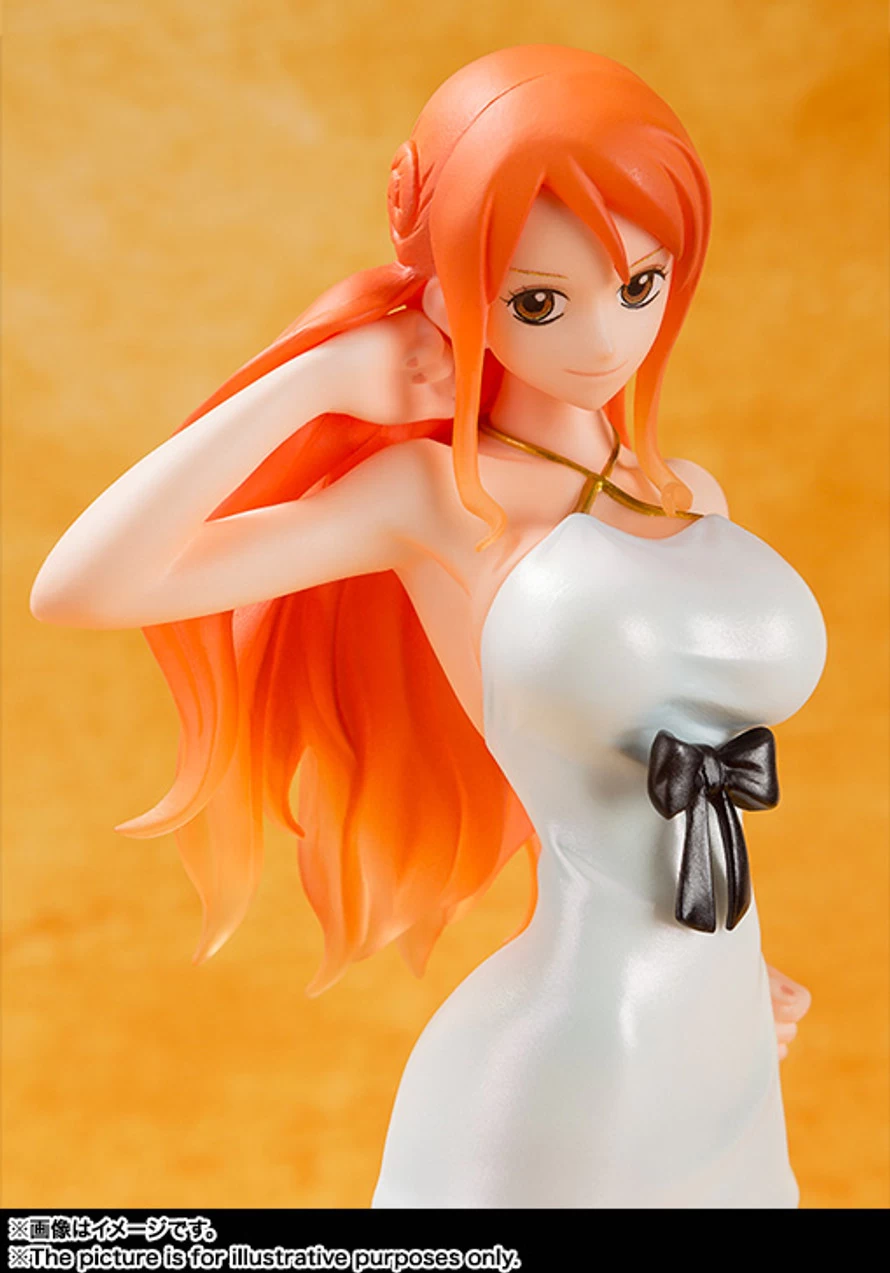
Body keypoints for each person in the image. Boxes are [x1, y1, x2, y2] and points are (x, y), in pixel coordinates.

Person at [30, 45, 823, 1207]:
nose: (603, 339)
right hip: (575, 1050)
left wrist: (732, 959)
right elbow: (81, 583)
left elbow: (682, 792)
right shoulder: (441, 501)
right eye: (537, 300)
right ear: (449, 290)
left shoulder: (683, 491)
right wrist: (311, 382)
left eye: (640, 283)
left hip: (717, 1035)